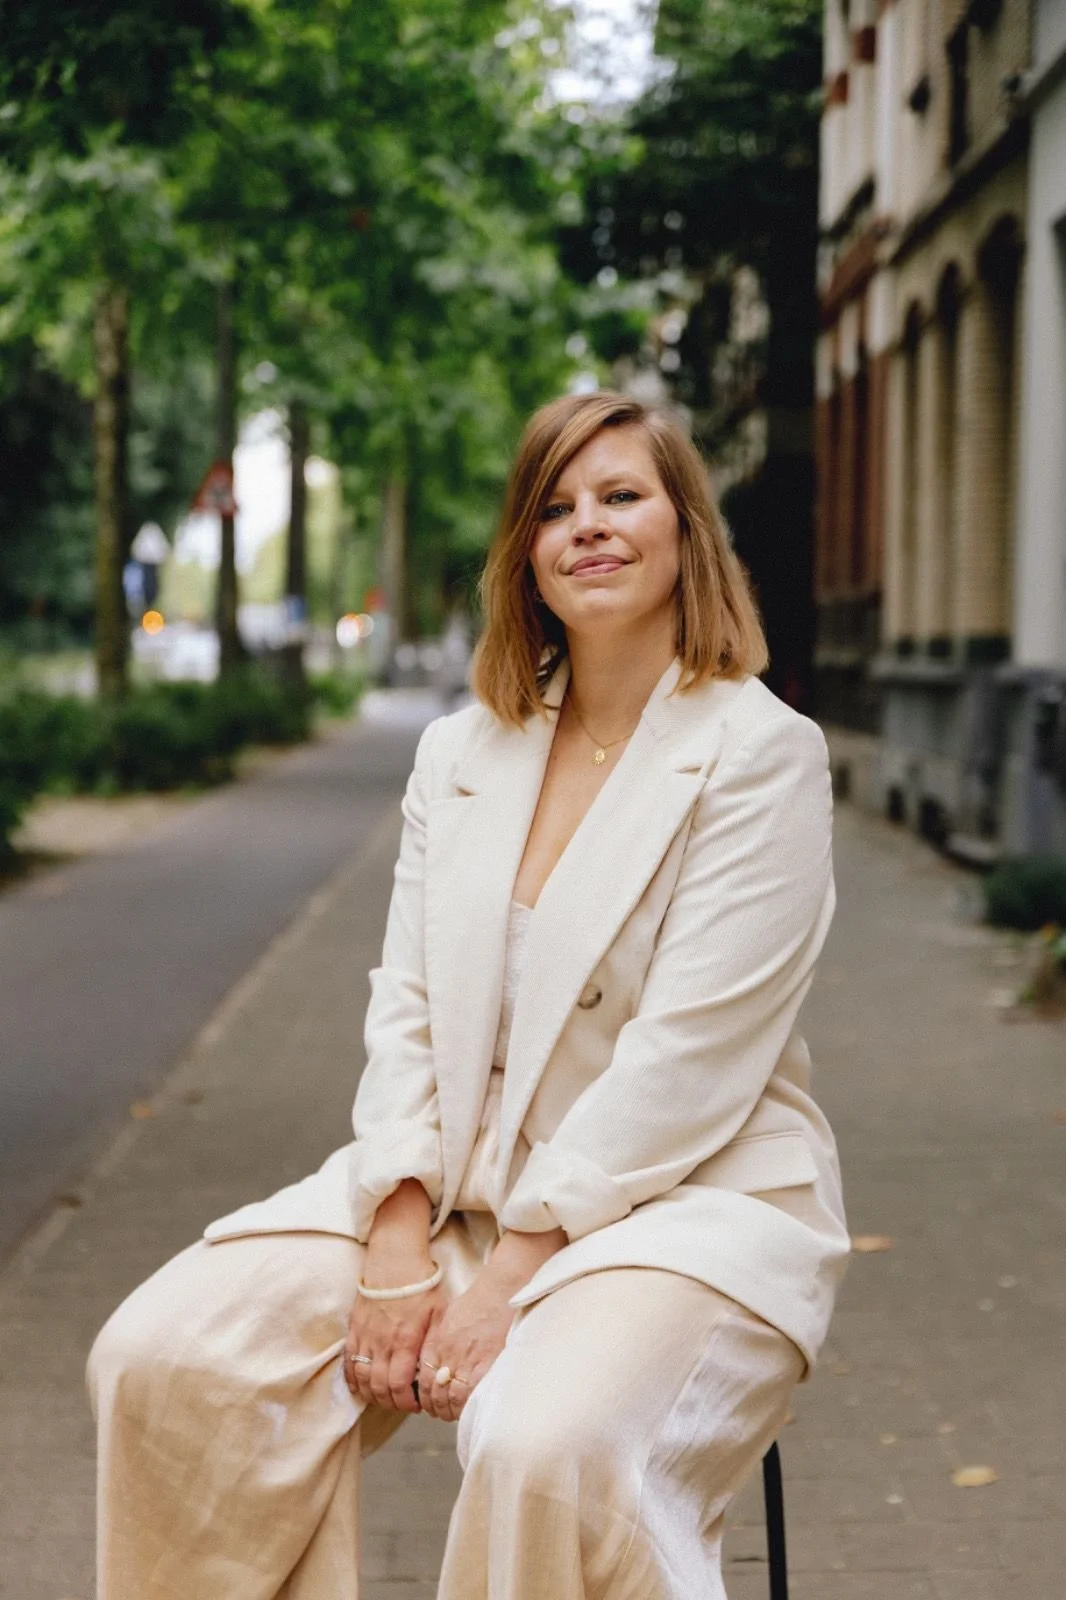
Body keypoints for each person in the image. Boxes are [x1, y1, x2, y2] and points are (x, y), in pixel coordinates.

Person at [88, 391, 849, 1600]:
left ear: (685, 529)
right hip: (452, 1186)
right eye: (554, 506)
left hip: (679, 1200)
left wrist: (502, 1289)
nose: (587, 527)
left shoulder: (761, 755)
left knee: (541, 1445)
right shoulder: (460, 752)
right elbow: (407, 1006)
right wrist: (396, 1230)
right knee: (166, 1356)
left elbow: (687, 1064)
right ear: (524, 554)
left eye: (620, 496)